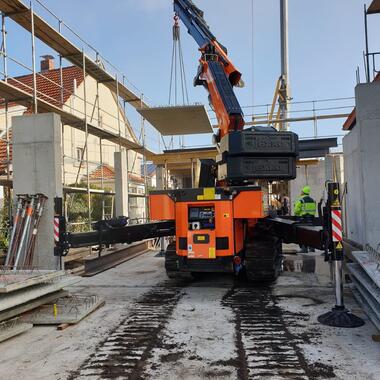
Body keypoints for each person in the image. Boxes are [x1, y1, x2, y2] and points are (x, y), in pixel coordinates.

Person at [294, 186, 317, 253]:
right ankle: (312, 248)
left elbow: (296, 210)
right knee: (311, 233)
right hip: (311, 219)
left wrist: (297, 214)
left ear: (303, 192)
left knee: (303, 234)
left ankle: (304, 249)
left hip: (303, 219)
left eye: (301, 191)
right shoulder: (313, 200)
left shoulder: (301, 200)